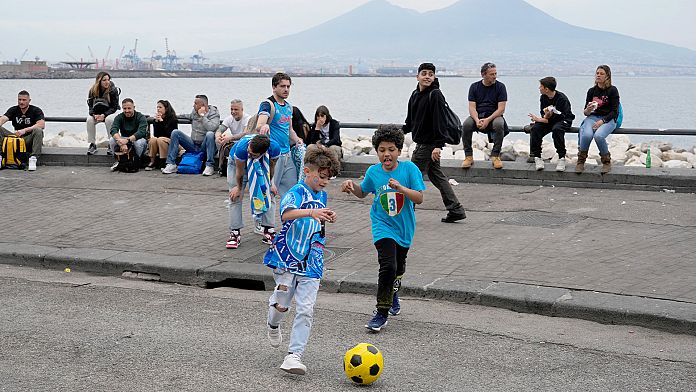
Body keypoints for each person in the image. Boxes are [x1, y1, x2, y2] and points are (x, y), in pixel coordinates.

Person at [264, 144, 340, 375]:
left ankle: (293, 356)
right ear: (307, 171)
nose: (325, 182)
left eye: (328, 178)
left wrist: (327, 216)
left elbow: (318, 219)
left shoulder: (323, 194)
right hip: (287, 258)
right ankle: (273, 322)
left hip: (313, 260)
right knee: (282, 306)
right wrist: (311, 212)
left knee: (306, 309)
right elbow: (286, 215)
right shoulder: (296, 192)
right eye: (322, 176)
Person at [340, 125, 425, 332]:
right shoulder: (373, 172)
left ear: (398, 151)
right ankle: (381, 312)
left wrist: (401, 188)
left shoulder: (409, 170)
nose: (386, 154)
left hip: (404, 228)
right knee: (388, 266)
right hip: (382, 225)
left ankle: (393, 293)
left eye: (391, 149)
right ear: (377, 151)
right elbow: (363, 192)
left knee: (398, 268)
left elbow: (420, 198)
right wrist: (352, 188)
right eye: (382, 150)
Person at [403, 62, 466, 223]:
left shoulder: (435, 94)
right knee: (437, 176)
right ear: (417, 76)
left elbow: (440, 121)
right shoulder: (414, 94)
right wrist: (396, 132)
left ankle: (407, 213)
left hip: (429, 145)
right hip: (423, 144)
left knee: (411, 176)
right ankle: (456, 209)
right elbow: (410, 122)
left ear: (434, 77)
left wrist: (438, 146)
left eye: (430, 74)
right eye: (424, 73)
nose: (427, 77)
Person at [226, 134, 280, 249]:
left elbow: (272, 166)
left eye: (252, 154)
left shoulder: (274, 148)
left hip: (262, 163)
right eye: (249, 151)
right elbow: (240, 172)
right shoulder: (242, 149)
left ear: (263, 152)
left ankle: (268, 229)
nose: (249, 154)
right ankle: (235, 232)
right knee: (235, 197)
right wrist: (239, 188)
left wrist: (270, 183)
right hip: (237, 164)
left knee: (269, 193)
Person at [256, 72, 304, 199]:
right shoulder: (268, 104)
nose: (286, 90)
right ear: (274, 87)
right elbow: (259, 124)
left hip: (287, 155)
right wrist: (264, 126)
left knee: (291, 193)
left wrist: (297, 140)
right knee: (269, 192)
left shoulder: (289, 107)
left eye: (288, 86)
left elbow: (290, 130)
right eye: (282, 86)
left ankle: (289, 218)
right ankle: (263, 218)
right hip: (273, 156)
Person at [461, 62, 508, 170]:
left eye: (495, 73)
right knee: (466, 125)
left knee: (499, 124)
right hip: (478, 115)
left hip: (494, 115)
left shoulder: (500, 87)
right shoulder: (474, 87)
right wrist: (477, 120)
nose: (495, 76)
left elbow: (501, 109)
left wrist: (488, 119)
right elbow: (472, 107)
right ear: (483, 75)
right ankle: (468, 156)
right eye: (492, 74)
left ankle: (495, 156)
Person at [576, 65, 620, 174]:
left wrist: (602, 121)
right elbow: (585, 113)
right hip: (593, 117)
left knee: (599, 136)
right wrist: (588, 109)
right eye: (597, 73)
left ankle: (606, 162)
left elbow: (615, 111)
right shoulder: (591, 91)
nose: (598, 75)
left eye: (601, 74)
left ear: (607, 76)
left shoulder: (612, 90)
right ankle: (581, 161)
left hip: (609, 119)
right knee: (586, 135)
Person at [161, 94, 220, 176]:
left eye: (195, 103)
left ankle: (210, 165)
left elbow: (212, 128)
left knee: (210, 134)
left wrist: (203, 116)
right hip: (192, 144)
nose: (193, 105)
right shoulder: (194, 112)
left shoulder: (214, 114)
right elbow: (188, 116)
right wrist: (171, 116)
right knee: (175, 132)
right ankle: (171, 164)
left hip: (205, 146)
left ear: (202, 105)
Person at [527, 76, 575, 172]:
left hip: (563, 120)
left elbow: (560, 117)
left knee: (557, 129)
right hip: (550, 120)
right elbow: (545, 115)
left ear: (546, 89)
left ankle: (561, 158)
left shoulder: (561, 99)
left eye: (541, 86)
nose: (539, 88)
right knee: (535, 128)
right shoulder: (543, 97)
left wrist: (540, 119)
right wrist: (545, 116)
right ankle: (537, 157)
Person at [0, 90, 45, 170]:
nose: (21, 102)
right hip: (16, 139)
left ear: (29, 100)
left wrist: (24, 130)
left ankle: (33, 158)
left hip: (28, 139)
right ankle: (0, 156)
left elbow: (41, 124)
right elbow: (3, 118)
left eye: (24, 100)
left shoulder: (36, 110)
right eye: (19, 100)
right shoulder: (13, 109)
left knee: (38, 130)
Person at [108, 98, 148, 171]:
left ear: (134, 108)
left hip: (137, 139)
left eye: (129, 108)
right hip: (124, 139)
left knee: (138, 143)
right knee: (111, 140)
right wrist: (121, 142)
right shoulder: (119, 117)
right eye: (124, 108)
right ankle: (118, 160)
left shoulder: (140, 117)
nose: (127, 111)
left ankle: (135, 161)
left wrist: (127, 140)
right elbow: (113, 129)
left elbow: (141, 132)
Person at [86, 72, 120, 155]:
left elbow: (114, 107)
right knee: (89, 120)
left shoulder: (113, 90)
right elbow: (90, 106)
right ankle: (92, 144)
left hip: (111, 112)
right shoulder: (92, 90)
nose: (107, 82)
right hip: (97, 114)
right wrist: (93, 114)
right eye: (104, 80)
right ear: (99, 81)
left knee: (109, 120)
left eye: (108, 80)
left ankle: (111, 144)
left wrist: (104, 115)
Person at [215, 99, 251, 176]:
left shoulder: (247, 119)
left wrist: (230, 138)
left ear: (242, 109)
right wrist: (218, 137)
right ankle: (222, 166)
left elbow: (245, 133)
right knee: (219, 141)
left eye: (236, 109)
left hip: (245, 142)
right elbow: (220, 129)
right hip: (234, 142)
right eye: (231, 109)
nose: (233, 112)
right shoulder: (229, 119)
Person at [145, 100, 179, 171]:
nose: (158, 109)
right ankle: (152, 161)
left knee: (161, 139)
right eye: (157, 107)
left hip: (170, 140)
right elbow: (156, 134)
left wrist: (162, 122)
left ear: (166, 109)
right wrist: (157, 122)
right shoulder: (156, 119)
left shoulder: (172, 119)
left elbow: (170, 133)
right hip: (159, 139)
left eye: (160, 107)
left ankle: (164, 162)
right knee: (153, 139)